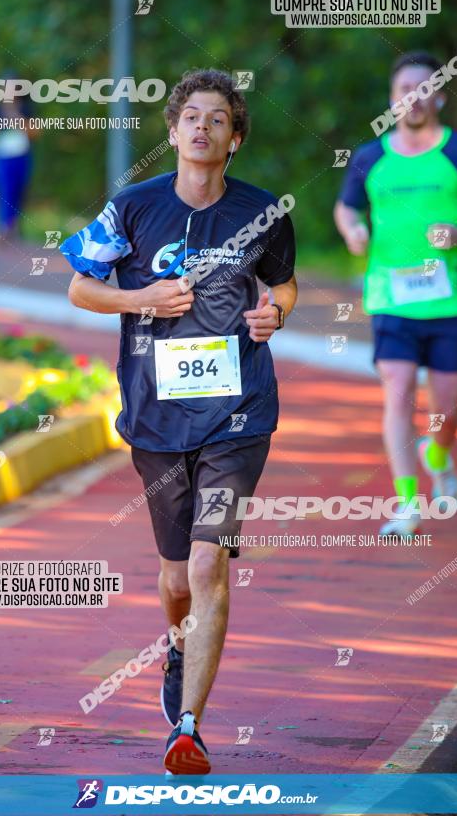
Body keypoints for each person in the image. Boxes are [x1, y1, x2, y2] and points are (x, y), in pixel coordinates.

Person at [60, 69, 297, 774]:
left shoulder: (264, 212)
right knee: (173, 579)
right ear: (170, 133)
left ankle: (187, 728)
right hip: (156, 415)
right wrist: (142, 299)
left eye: (217, 119)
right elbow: (79, 286)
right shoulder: (131, 207)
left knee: (207, 561)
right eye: (189, 117)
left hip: (238, 413)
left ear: (235, 138)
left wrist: (273, 313)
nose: (201, 127)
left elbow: (282, 282)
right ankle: (175, 643)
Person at [334, 51, 457, 536]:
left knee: (446, 407)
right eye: (405, 89)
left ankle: (436, 454)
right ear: (393, 98)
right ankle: (407, 503)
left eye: (424, 88)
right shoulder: (371, 158)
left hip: (451, 301)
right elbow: (345, 208)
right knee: (397, 393)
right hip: (392, 299)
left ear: (439, 96)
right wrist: (353, 230)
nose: (414, 98)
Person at [0, 75, 37, 244]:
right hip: (1, 157)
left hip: (21, 156)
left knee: (19, 192)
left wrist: (15, 116)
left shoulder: (26, 109)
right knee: (5, 190)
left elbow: (34, 132)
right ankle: (3, 227)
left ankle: (13, 227)